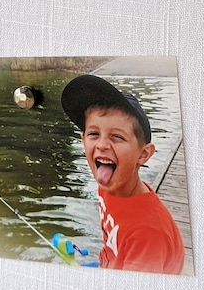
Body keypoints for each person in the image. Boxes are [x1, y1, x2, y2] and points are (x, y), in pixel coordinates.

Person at [61, 74, 185, 275]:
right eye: (93, 134)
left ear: (143, 154)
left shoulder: (148, 233)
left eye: (117, 137)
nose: (101, 144)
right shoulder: (108, 183)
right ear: (83, 140)